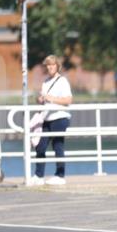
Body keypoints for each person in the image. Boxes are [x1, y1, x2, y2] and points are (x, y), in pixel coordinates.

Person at [30, 55, 72, 186]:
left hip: (60, 117)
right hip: (47, 118)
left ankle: (60, 175)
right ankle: (38, 175)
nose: (50, 67)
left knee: (58, 145)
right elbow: (43, 100)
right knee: (40, 146)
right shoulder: (46, 82)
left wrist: (51, 98)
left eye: (53, 65)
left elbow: (68, 100)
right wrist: (40, 100)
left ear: (57, 66)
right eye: (48, 65)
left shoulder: (62, 81)